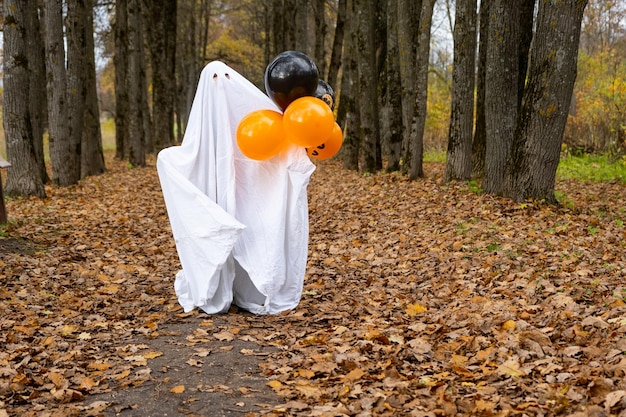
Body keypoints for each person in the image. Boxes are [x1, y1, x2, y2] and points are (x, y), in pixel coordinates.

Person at [157, 61, 315, 315]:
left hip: (242, 195)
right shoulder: (204, 129)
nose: (219, 86)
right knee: (218, 233)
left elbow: (266, 145)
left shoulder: (249, 118)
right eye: (215, 80)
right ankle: (218, 284)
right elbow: (189, 156)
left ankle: (248, 287)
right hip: (213, 189)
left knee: (250, 234)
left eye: (224, 79)